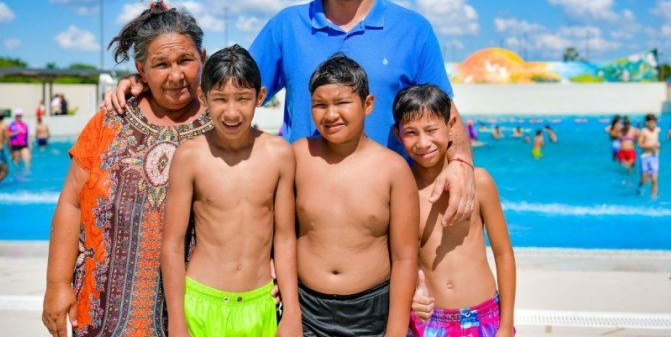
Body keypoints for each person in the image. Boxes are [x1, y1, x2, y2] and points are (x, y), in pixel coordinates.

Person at [107, 0, 475, 227]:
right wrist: (149, 88)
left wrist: (461, 165)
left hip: (387, 220)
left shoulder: (414, 29)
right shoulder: (286, 26)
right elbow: (227, 94)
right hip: (302, 219)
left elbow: (445, 114)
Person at [41, 1, 215, 337]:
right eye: (160, 64)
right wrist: (57, 284)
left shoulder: (223, 123)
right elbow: (71, 203)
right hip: (103, 310)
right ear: (141, 69)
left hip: (198, 312)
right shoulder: (110, 120)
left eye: (185, 60)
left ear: (203, 58)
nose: (176, 75)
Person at [161, 45, 301, 336]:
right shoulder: (191, 157)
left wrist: (292, 312)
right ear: (204, 98)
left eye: (243, 99)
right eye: (220, 99)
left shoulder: (279, 154)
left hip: (260, 304)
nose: (232, 111)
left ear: (260, 97)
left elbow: (285, 238)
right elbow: (173, 244)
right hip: (202, 305)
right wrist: (177, 320)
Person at [293, 54, 418, 336]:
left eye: (342, 102)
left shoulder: (393, 169)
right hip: (306, 310)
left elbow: (405, 257)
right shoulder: (299, 156)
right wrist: (289, 310)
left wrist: (396, 330)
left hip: (373, 312)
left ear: (368, 104)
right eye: (320, 105)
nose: (331, 114)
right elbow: (281, 235)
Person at [391, 84, 515, 337]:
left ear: (451, 126)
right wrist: (412, 296)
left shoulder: (478, 182)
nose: (423, 142)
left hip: (485, 318)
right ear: (397, 133)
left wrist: (505, 326)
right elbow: (400, 260)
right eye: (411, 133)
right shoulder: (402, 191)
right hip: (428, 323)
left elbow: (504, 254)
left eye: (431, 130)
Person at [637, 114, 661, 198]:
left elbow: (656, 141)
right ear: (647, 123)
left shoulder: (657, 130)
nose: (653, 124)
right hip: (645, 157)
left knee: (654, 179)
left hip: (654, 157)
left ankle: (653, 198)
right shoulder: (643, 131)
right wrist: (649, 146)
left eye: (654, 122)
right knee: (644, 179)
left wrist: (658, 145)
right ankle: (640, 186)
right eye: (651, 122)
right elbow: (639, 144)